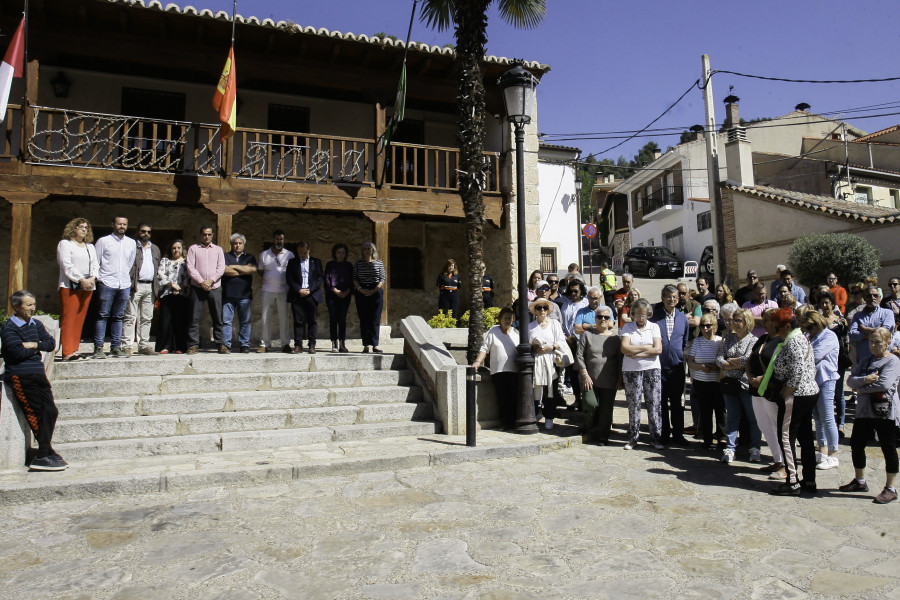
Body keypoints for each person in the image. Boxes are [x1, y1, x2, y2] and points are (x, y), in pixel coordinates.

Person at [1, 290, 66, 471]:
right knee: (35, 412)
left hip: (38, 373)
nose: (32, 308)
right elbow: (15, 352)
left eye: (33, 304)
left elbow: (50, 344)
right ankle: (44, 453)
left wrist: (33, 344)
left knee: (50, 411)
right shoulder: (9, 327)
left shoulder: (35, 324)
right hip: (21, 375)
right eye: (28, 305)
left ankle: (46, 450)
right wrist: (36, 349)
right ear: (16, 306)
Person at [841, 328, 900, 504]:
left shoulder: (892, 361)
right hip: (864, 411)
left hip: (885, 412)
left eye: (878, 342)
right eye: (871, 342)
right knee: (857, 443)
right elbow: (850, 380)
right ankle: (860, 480)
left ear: (888, 343)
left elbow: (884, 383)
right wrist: (866, 380)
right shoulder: (866, 360)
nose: (874, 345)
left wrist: (860, 389)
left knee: (888, 448)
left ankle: (890, 487)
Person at [765, 307, 819, 496]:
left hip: (797, 396)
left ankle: (793, 481)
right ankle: (809, 480)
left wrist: (784, 395)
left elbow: (795, 376)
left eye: (777, 327)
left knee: (786, 437)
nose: (774, 331)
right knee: (805, 438)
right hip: (808, 393)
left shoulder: (794, 341)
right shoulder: (800, 338)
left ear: (787, 326)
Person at [716, 308, 761, 463]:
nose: (735, 323)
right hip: (730, 384)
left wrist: (730, 362)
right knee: (732, 417)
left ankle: (755, 447)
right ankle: (730, 447)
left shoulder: (753, 340)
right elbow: (720, 359)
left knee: (752, 418)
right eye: (734, 320)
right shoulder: (729, 338)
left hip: (745, 385)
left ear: (747, 322)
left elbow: (747, 361)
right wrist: (731, 364)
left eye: (739, 320)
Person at [746, 308, 786, 479]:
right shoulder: (762, 338)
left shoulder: (781, 341)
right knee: (764, 425)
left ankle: (786, 463)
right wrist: (749, 375)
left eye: (768, 320)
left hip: (770, 389)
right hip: (755, 388)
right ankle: (777, 459)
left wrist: (762, 378)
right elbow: (750, 358)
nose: (764, 323)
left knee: (777, 426)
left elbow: (778, 366)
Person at [799, 309, 841, 471]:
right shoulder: (811, 336)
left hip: (826, 379)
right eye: (805, 328)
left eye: (810, 327)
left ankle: (833, 453)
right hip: (813, 380)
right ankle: (822, 450)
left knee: (828, 417)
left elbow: (814, 356)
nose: (807, 331)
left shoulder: (829, 336)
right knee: (817, 417)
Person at [620, 298, 664, 450]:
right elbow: (625, 348)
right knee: (634, 404)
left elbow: (657, 349)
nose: (640, 318)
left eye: (643, 314)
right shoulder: (627, 327)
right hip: (632, 370)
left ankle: (656, 437)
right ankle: (633, 437)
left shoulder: (654, 327)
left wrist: (636, 352)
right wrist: (647, 348)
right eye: (638, 314)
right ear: (633, 314)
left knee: (654, 403)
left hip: (652, 368)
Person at [576, 304, 623, 445]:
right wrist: (585, 374)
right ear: (595, 318)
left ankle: (603, 435)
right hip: (589, 378)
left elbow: (620, 360)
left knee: (606, 410)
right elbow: (579, 356)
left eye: (606, 317)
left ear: (610, 320)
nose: (602, 319)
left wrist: (620, 378)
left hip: (609, 380)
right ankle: (590, 427)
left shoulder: (615, 338)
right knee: (590, 404)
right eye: (599, 316)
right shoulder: (587, 335)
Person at [92, 215, 136, 359]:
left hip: (123, 283)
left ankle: (115, 347)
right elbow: (96, 261)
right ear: (113, 225)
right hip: (107, 282)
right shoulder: (103, 241)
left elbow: (130, 263)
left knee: (119, 316)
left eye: (124, 224)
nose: (122, 226)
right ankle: (98, 347)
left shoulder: (131, 243)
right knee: (102, 315)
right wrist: (100, 278)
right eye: (119, 224)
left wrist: (124, 277)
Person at [651, 285, 690, 446]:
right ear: (663, 298)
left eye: (674, 296)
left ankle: (678, 434)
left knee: (677, 403)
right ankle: (664, 433)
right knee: (661, 403)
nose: (672, 299)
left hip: (677, 368)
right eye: (668, 296)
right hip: (659, 367)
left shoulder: (683, 318)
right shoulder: (654, 318)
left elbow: (684, 341)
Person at [56, 218, 98, 361]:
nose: (84, 230)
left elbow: (95, 264)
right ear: (73, 228)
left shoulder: (89, 247)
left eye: (86, 227)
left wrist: (92, 278)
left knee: (80, 318)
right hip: (70, 286)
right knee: (69, 318)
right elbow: (66, 264)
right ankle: (67, 351)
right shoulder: (65, 244)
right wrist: (81, 279)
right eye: (81, 227)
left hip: (88, 286)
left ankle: (74, 349)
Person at [472, 306, 518, 430]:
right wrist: (478, 361)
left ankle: (513, 422)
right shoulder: (494, 331)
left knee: (513, 397)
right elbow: (484, 348)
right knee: (502, 398)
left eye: (510, 318)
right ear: (500, 319)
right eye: (505, 318)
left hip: (513, 370)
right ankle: (505, 423)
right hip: (498, 371)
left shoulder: (516, 333)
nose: (508, 320)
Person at [185, 225, 226, 354]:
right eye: (204, 234)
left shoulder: (218, 250)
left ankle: (220, 344)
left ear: (212, 235)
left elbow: (221, 268)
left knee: (217, 317)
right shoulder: (193, 249)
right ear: (200, 235)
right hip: (197, 287)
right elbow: (190, 267)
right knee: (194, 317)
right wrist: (202, 281)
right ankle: (193, 345)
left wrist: (211, 280)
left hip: (214, 287)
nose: (206, 236)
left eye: (209, 234)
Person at [687, 313, 724, 452]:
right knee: (706, 411)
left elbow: (724, 359)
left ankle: (722, 438)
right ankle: (707, 439)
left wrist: (715, 366)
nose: (705, 328)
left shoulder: (720, 341)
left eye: (708, 325)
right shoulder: (697, 341)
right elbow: (690, 361)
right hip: (701, 381)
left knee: (720, 411)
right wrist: (701, 367)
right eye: (702, 325)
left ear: (714, 326)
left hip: (717, 381)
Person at [123, 222, 161, 356]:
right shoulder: (132, 246)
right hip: (135, 285)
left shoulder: (154, 248)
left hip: (150, 285)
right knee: (130, 316)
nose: (146, 234)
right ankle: (126, 345)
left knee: (146, 317)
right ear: (138, 232)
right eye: (143, 231)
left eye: (149, 232)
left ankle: (144, 345)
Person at [529, 298, 566, 430]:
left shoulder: (554, 324)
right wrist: (535, 348)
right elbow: (527, 344)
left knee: (551, 389)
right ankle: (537, 415)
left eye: (545, 308)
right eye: (539, 308)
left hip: (551, 361)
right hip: (537, 361)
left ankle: (549, 416)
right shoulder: (531, 326)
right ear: (535, 310)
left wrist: (551, 347)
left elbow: (562, 341)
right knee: (537, 388)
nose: (542, 310)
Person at [257, 230, 294, 353]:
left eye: (281, 239)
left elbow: (292, 273)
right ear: (273, 239)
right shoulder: (264, 254)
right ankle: (264, 344)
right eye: (277, 239)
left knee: (284, 318)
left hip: (284, 290)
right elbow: (260, 271)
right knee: (265, 318)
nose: (279, 241)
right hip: (267, 290)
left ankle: (285, 344)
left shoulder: (289, 255)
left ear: (284, 240)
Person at [819, 292, 850, 438]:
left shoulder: (840, 321)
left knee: (839, 393)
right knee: (826, 395)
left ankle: (841, 423)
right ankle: (827, 424)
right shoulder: (817, 322)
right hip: (822, 362)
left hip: (837, 360)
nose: (825, 306)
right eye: (822, 303)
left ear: (832, 304)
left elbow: (846, 341)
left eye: (827, 303)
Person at [222, 233, 257, 353]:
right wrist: (243, 269)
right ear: (231, 245)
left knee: (245, 321)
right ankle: (226, 344)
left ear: (243, 244)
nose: (237, 245)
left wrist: (233, 267)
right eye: (235, 243)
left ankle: (244, 345)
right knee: (226, 321)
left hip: (245, 295)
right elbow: (223, 270)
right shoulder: (225, 256)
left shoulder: (250, 257)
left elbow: (252, 269)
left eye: (239, 243)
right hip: (228, 294)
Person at [286, 241, 324, 354]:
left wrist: (310, 290)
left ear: (309, 250)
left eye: (305, 252)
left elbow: (319, 278)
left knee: (312, 321)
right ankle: (298, 345)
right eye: (301, 253)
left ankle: (312, 345)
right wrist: (299, 289)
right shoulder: (292, 262)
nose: (303, 255)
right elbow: (289, 278)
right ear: (297, 251)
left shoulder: (316, 262)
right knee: (298, 321)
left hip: (311, 295)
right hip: (297, 295)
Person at [155, 239, 190, 354]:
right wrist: (172, 285)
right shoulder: (165, 261)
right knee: (166, 321)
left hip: (182, 294)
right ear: (171, 249)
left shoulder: (186, 262)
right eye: (174, 248)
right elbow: (160, 275)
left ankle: (179, 346)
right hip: (167, 294)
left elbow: (189, 276)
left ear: (182, 249)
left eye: (178, 248)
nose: (176, 250)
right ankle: (165, 346)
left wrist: (181, 287)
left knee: (180, 321)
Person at [849, 285, 896, 367]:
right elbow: (852, 334)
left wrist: (865, 329)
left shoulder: (888, 313)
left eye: (875, 295)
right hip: (863, 359)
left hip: (883, 359)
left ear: (880, 298)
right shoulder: (857, 316)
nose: (872, 298)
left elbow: (885, 332)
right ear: (864, 298)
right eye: (869, 296)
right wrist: (876, 332)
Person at [353, 241, 386, 353]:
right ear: (362, 251)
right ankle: (366, 344)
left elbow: (382, 278)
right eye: (365, 249)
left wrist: (374, 290)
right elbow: (355, 278)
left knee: (375, 319)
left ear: (373, 250)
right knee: (364, 318)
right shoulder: (358, 263)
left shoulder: (379, 263)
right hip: (361, 291)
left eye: (369, 248)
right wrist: (360, 289)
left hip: (376, 291)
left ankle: (375, 344)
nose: (367, 251)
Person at [561, 279, 588, 403]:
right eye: (571, 291)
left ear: (581, 291)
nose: (573, 293)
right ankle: (577, 398)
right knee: (572, 371)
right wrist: (566, 338)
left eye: (576, 291)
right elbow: (561, 324)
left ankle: (586, 398)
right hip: (569, 343)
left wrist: (575, 337)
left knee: (583, 371)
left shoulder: (586, 304)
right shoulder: (566, 305)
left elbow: (587, 325)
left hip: (582, 343)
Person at [324, 243, 353, 353]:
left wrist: (346, 292)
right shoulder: (330, 265)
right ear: (335, 253)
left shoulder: (349, 265)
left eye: (343, 253)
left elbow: (352, 280)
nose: (341, 255)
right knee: (333, 318)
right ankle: (334, 343)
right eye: (339, 252)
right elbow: (327, 279)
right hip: (332, 295)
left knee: (342, 319)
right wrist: (335, 290)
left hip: (346, 295)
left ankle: (342, 343)